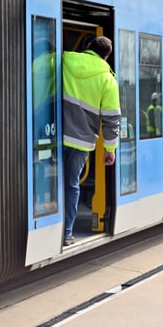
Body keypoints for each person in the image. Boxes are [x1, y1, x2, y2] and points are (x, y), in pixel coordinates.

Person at [62, 36, 121, 246]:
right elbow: (112, 119)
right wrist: (109, 149)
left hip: (56, 136)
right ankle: (66, 233)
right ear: (106, 56)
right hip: (82, 142)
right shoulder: (108, 80)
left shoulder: (66, 60)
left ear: (88, 47)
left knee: (50, 184)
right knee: (71, 185)